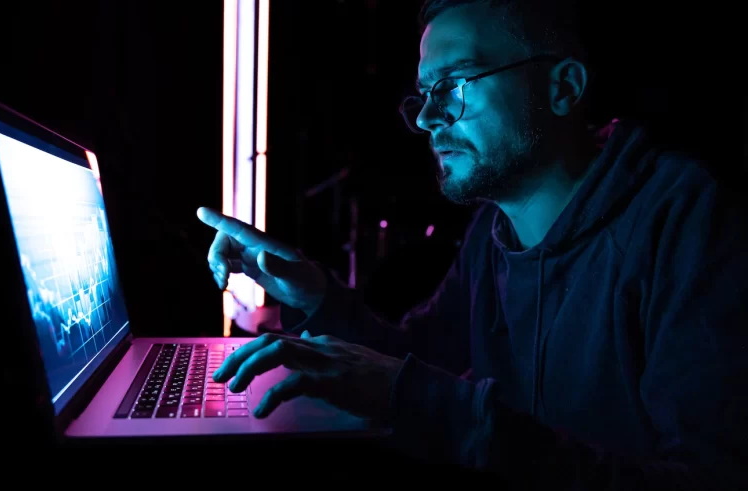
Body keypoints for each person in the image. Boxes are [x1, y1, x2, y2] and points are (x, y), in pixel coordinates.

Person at [196, 0, 747, 487]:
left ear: (563, 88)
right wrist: (314, 294)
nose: (430, 119)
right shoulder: (494, 227)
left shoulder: (687, 223)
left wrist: (430, 405)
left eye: (455, 86)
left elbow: (707, 478)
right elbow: (421, 356)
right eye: (424, 95)